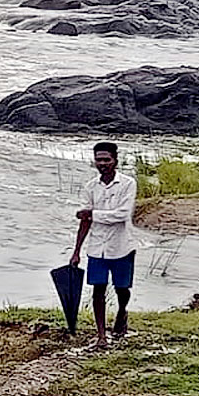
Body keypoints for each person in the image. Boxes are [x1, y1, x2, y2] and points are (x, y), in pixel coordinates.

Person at [70, 141, 137, 350]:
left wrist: (92, 214)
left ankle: (122, 311)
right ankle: (101, 336)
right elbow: (85, 221)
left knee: (122, 289)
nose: (102, 164)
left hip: (121, 246)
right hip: (97, 246)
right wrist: (76, 251)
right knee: (97, 289)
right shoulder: (91, 187)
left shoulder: (127, 183)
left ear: (115, 160)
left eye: (106, 159)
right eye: (98, 160)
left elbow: (122, 215)